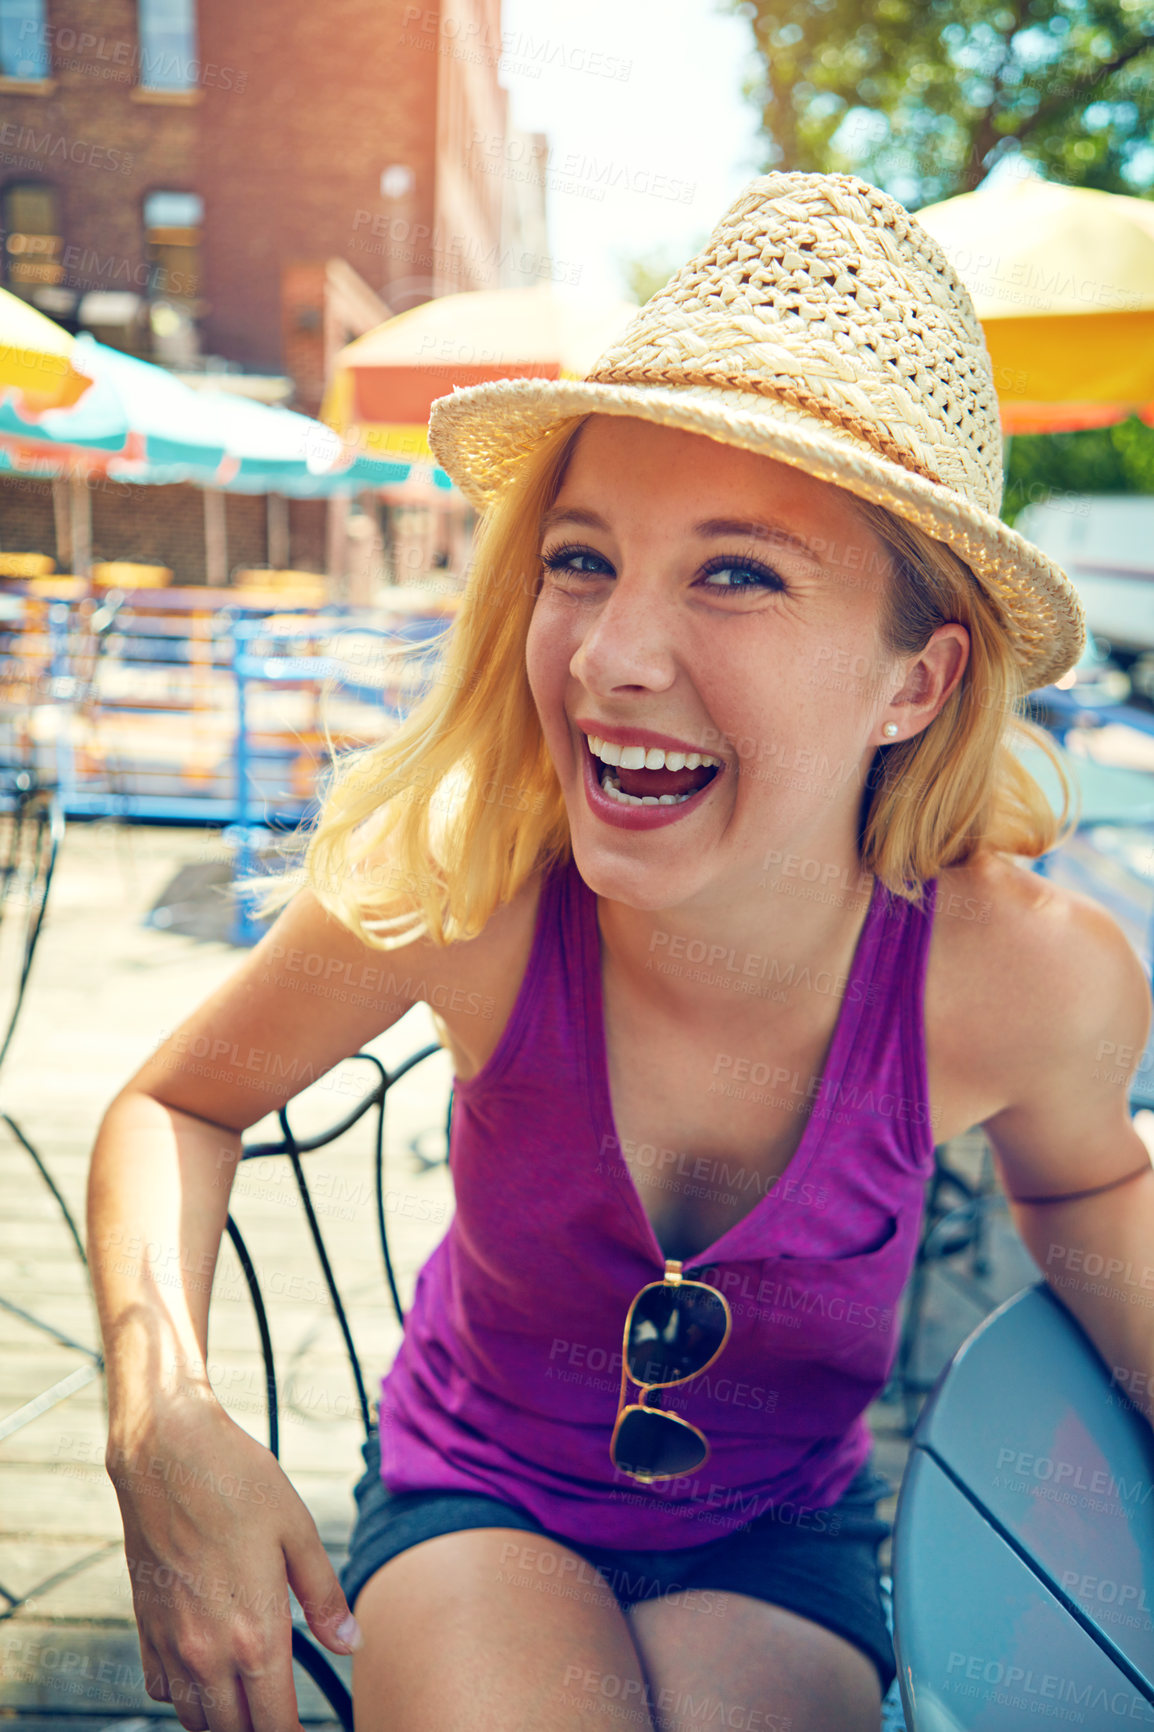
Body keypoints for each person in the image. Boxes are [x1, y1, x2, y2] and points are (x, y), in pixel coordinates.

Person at [87, 172, 1154, 1732]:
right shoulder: (467, 884)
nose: (606, 656)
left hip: (781, 1539)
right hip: (474, 1495)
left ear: (914, 684)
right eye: (579, 558)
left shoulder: (1025, 976)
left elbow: (1084, 1184)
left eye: (737, 571)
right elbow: (175, 1108)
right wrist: (160, 1417)